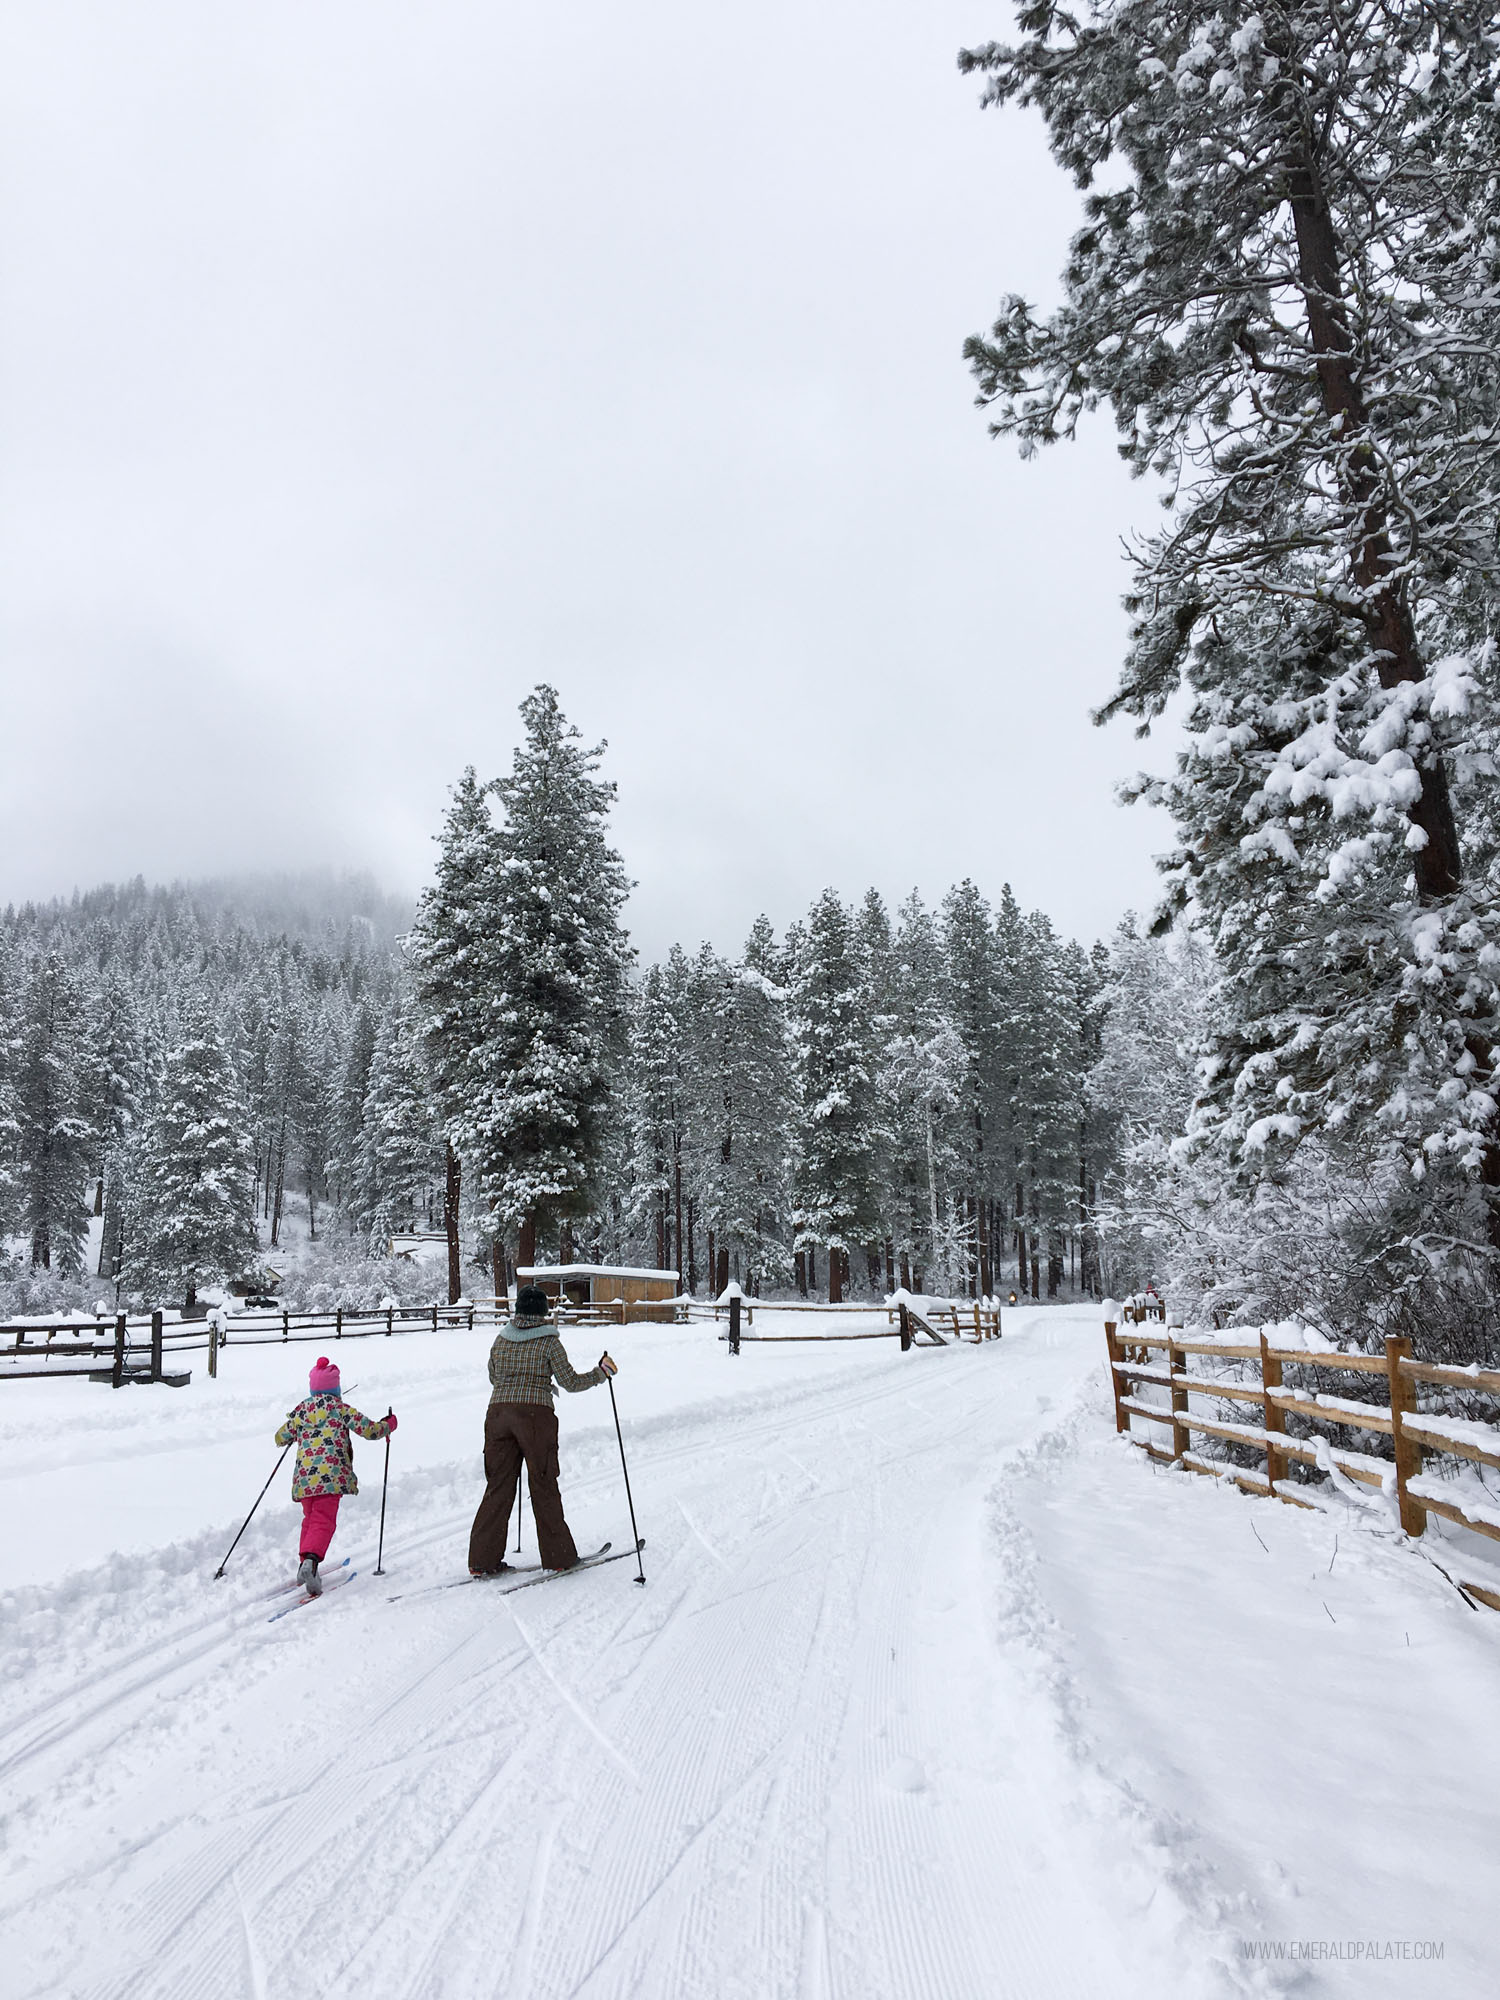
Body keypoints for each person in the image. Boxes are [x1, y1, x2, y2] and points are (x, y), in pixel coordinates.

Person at [467, 1284, 617, 1576]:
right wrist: (602, 1373)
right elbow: (570, 1382)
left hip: (497, 1415)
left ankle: (481, 1561)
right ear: (543, 1313)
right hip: (536, 1417)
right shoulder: (549, 1342)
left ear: (518, 1309)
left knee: (498, 1486)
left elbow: (493, 1376)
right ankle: (558, 1556)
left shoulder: (501, 1340)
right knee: (543, 1483)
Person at [275, 1356, 397, 1594]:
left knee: (310, 1520)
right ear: (336, 1389)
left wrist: (293, 1434)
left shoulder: (301, 1411)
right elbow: (370, 1431)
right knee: (323, 1521)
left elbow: (279, 1437)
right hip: (331, 1478)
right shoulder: (340, 1409)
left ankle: (306, 1564)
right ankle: (311, 1560)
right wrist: (389, 1425)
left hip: (304, 1480)